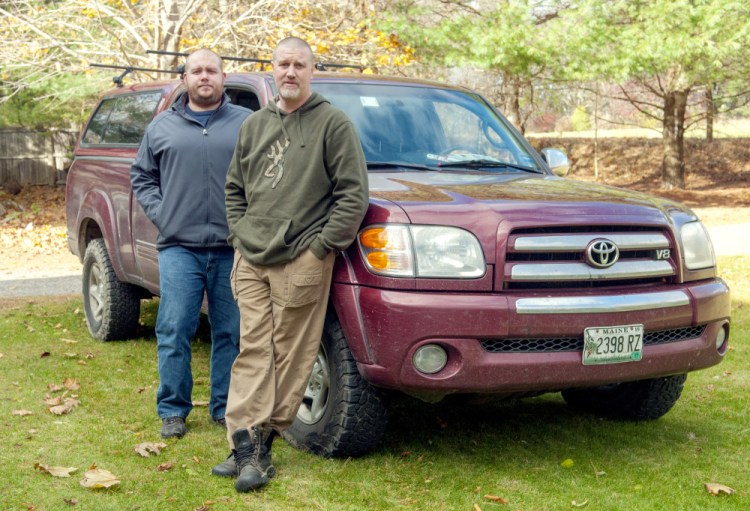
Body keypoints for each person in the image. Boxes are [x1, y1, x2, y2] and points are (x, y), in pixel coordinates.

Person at [214, 37, 368, 492]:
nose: (290, 72)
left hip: (301, 258)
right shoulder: (255, 125)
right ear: (273, 69)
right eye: (283, 64)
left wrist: (320, 249)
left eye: (299, 64)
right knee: (253, 352)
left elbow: (352, 196)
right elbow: (234, 188)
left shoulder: (332, 124)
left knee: (290, 355)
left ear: (310, 71)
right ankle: (245, 444)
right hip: (251, 258)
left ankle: (259, 444)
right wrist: (239, 237)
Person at [130, 49, 251, 439]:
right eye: (196, 71)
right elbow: (142, 177)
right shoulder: (162, 126)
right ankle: (173, 409)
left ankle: (225, 406)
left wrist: (250, 223)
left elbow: (265, 178)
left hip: (233, 248)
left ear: (223, 76)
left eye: (211, 71)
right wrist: (165, 215)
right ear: (184, 78)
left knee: (230, 331)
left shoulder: (246, 124)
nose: (204, 77)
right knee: (174, 328)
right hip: (179, 247)